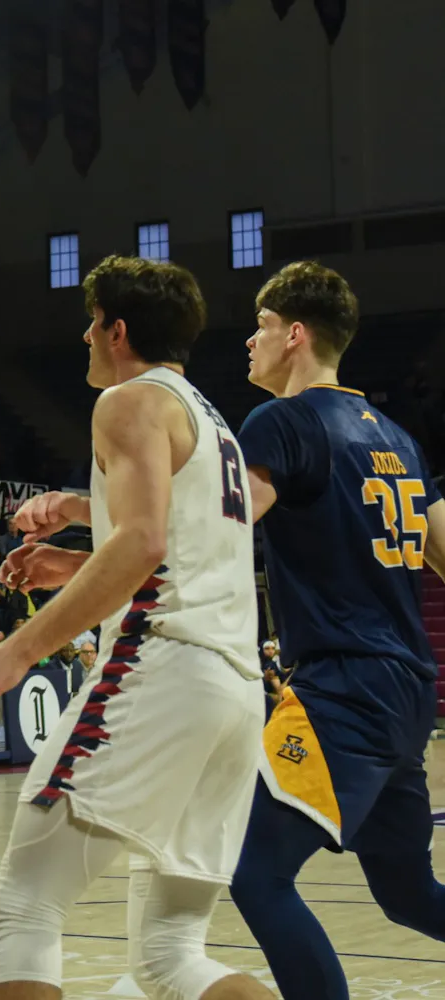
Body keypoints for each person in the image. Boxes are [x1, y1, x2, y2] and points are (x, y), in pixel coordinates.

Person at [0, 255, 273, 999]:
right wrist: (73, 555)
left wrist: (20, 649)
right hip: (233, 694)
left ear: (117, 330)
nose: (86, 338)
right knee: (171, 956)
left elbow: (144, 542)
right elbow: (178, 537)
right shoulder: (211, 422)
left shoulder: (128, 401)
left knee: (25, 907)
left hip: (163, 672)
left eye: (92, 324)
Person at [225, 261, 445, 998]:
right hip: (405, 690)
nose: (249, 341)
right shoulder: (399, 440)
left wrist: (97, 546)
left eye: (260, 326)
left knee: (257, 875)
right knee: (409, 895)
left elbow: (221, 527)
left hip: (343, 686)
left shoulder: (282, 421)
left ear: (294, 334)